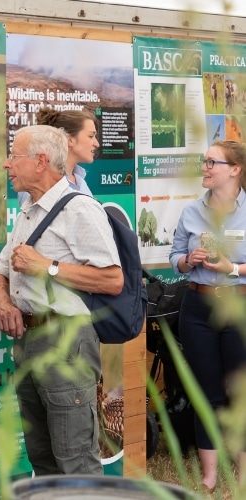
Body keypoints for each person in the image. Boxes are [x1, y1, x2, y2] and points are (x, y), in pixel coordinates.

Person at [0, 125, 122, 476]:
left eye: (14, 156)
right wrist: (2, 299)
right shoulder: (30, 211)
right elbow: (0, 270)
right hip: (29, 340)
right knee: (43, 459)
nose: (7, 164)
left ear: (40, 162)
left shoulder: (81, 211)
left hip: (67, 342)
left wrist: (47, 267)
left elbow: (113, 279)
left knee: (75, 459)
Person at [169, 140, 246, 493]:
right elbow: (176, 258)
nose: (205, 167)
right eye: (204, 161)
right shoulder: (190, 212)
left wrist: (233, 268)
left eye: (212, 162)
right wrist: (189, 260)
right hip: (198, 308)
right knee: (205, 391)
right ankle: (210, 474)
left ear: (235, 169)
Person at [16, 107, 98, 206]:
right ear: (69, 140)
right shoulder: (38, 182)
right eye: (90, 136)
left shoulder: (79, 180)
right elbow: (35, 218)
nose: (96, 144)